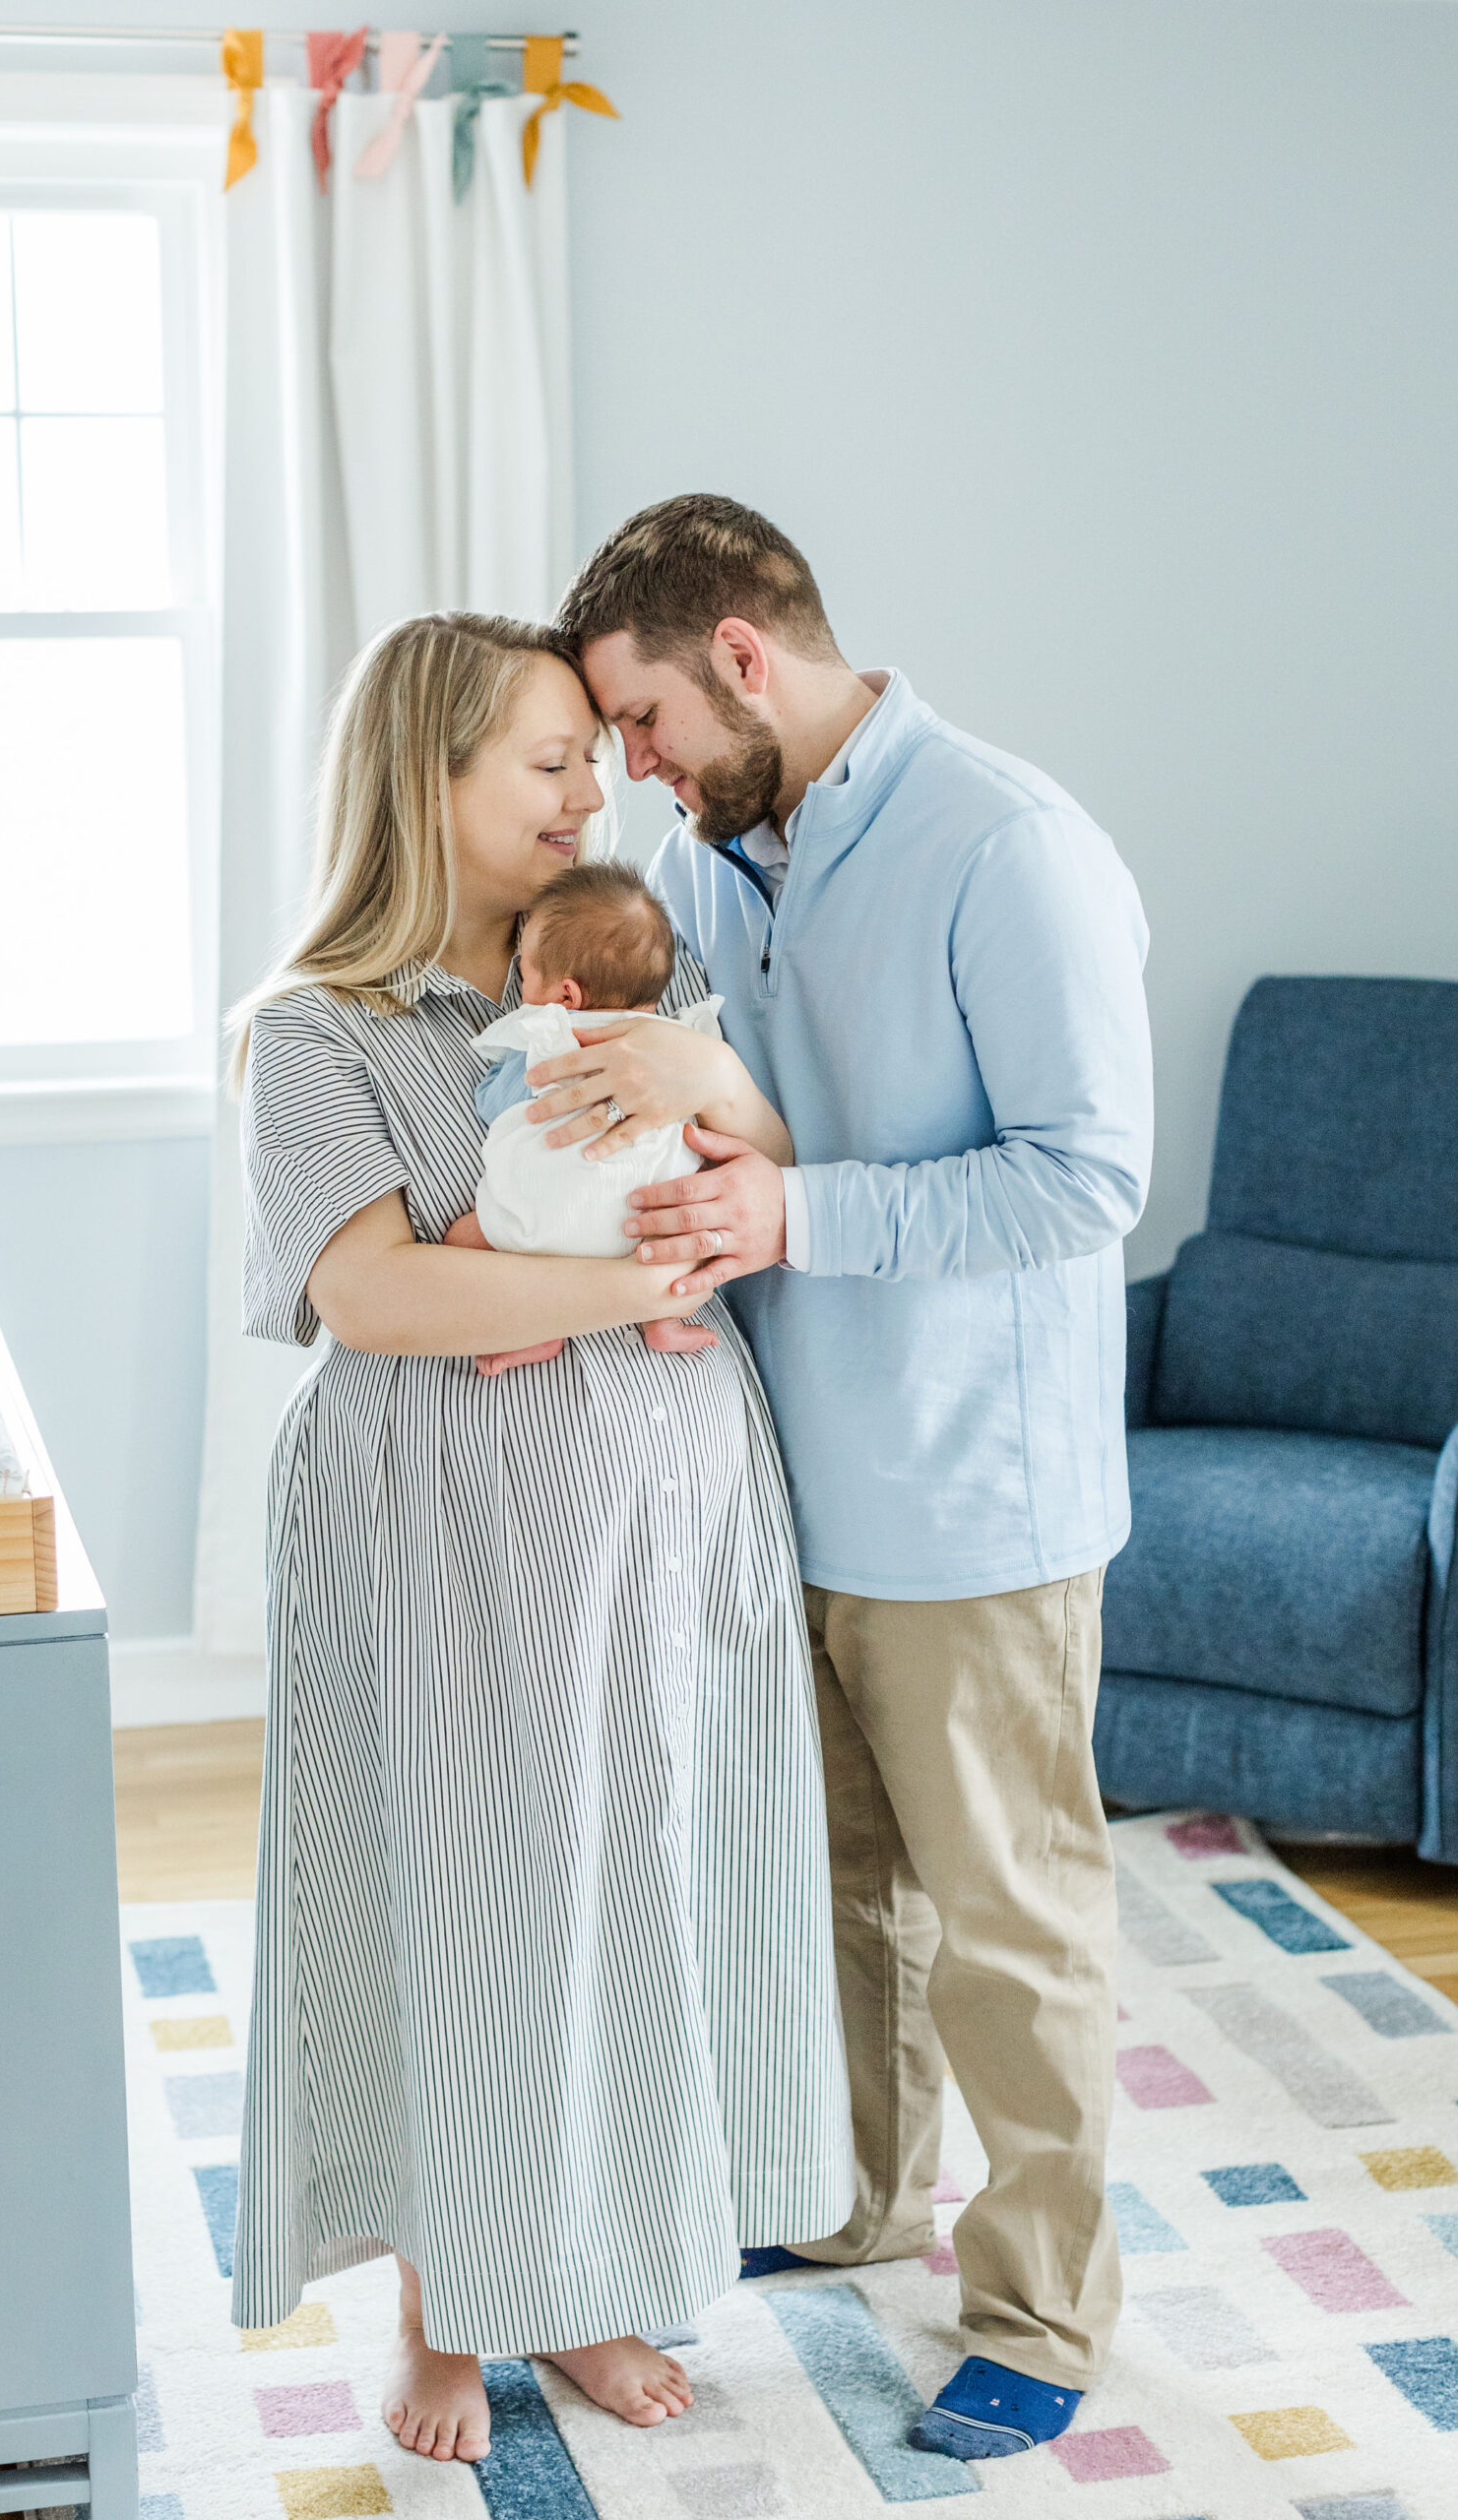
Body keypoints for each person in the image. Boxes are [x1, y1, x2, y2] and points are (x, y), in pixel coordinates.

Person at [538, 496, 1154, 2463]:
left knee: (1008, 1919)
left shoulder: (1007, 844)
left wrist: (798, 1211)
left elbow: (1086, 1174)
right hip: (777, 1482)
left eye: (637, 718)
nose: (625, 767)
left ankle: (1040, 2305)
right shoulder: (704, 856)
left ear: (736, 651)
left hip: (974, 1497)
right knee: (832, 1891)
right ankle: (855, 2191)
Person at [225, 609, 854, 2467]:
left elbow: (763, 1143)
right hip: (442, 1530)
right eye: (551, 760)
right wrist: (629, 1271)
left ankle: (576, 2281)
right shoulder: (319, 1034)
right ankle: (446, 2291)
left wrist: (703, 1104)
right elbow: (377, 1297)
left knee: (628, 1892)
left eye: (595, 753)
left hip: (660, 1512)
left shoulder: (633, 969)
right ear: (431, 780)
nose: (598, 792)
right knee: (453, 1895)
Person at [446, 857, 758, 1369]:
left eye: (523, 971)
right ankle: (663, 1321)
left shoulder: (547, 1036)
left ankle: (530, 1332)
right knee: (694, 1246)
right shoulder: (688, 1040)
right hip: (645, 1227)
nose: (520, 985)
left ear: (565, 994)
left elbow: (496, 1107)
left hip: (540, 1229)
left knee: (465, 1241)